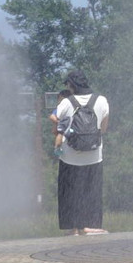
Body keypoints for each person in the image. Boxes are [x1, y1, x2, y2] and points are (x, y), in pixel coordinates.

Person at [54, 70, 110, 236]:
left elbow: (58, 122)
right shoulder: (101, 101)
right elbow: (104, 128)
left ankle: (73, 228)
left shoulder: (67, 102)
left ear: (71, 85)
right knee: (92, 191)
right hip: (94, 156)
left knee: (69, 192)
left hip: (70, 157)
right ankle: (91, 226)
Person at [49, 89, 73, 156]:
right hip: (63, 126)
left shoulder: (64, 106)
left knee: (60, 133)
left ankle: (58, 147)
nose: (58, 101)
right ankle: (57, 147)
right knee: (60, 133)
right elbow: (52, 116)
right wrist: (57, 122)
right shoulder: (60, 108)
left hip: (66, 127)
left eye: (59, 99)